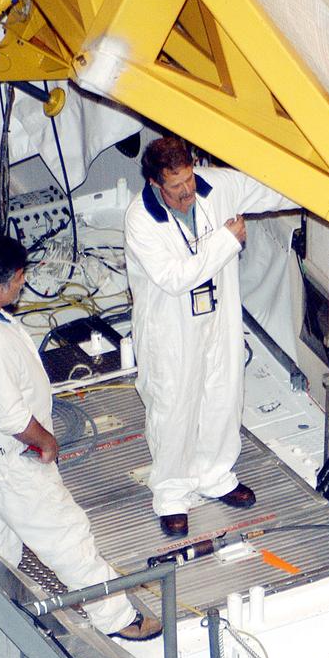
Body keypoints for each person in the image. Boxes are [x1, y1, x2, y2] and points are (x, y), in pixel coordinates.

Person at [0, 235, 159, 641]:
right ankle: (116, 617)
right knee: (65, 535)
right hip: (9, 458)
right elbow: (12, 416)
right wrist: (46, 442)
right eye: (18, 279)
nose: (23, 284)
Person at [124, 137, 297, 538]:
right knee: (173, 407)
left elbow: (269, 190)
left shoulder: (215, 186)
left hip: (219, 316)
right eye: (175, 187)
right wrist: (226, 241)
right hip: (171, 329)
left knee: (223, 393)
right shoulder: (140, 220)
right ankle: (170, 492)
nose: (186, 192)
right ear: (154, 184)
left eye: (188, 180)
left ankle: (215, 474)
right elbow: (175, 278)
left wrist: (322, 190)